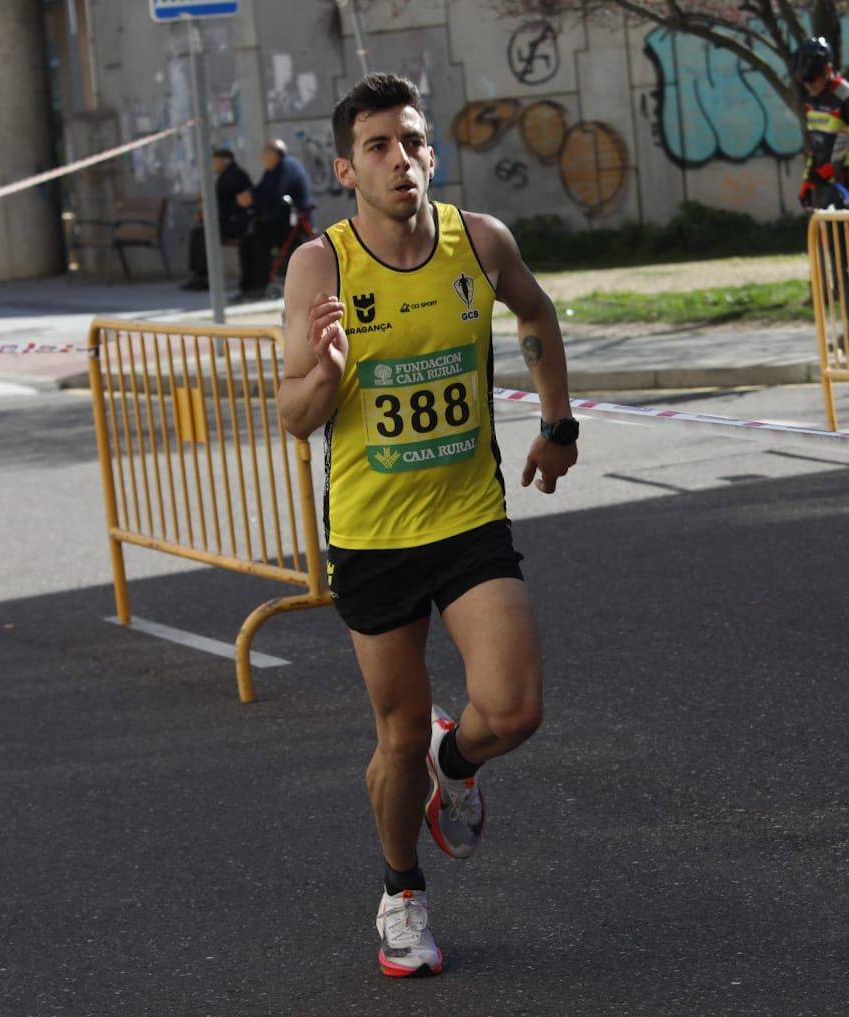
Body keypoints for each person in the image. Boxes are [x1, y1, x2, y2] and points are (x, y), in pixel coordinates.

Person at [277, 73, 578, 978]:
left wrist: (557, 426)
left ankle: (461, 759)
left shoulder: (478, 242)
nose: (398, 159)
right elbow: (293, 413)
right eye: (377, 146)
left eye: (411, 141)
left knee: (515, 708)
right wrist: (325, 377)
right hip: (372, 536)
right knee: (396, 737)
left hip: (468, 515)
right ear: (344, 168)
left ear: (431, 155)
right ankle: (400, 893)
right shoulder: (319, 266)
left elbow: (536, 313)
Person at [793, 37, 849, 351]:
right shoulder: (814, 102)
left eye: (813, 78)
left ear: (828, 69)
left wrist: (836, 171)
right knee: (839, 263)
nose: (808, 84)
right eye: (804, 80)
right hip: (829, 189)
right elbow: (818, 150)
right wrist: (808, 182)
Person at [237, 139, 314, 297]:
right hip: (276, 220)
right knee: (247, 239)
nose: (262, 158)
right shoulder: (271, 170)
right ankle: (248, 286)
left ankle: (260, 284)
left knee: (258, 240)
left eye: (264, 154)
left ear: (274, 154)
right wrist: (249, 196)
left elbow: (277, 194)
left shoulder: (287, 167)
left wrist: (254, 198)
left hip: (292, 225)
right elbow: (260, 191)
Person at [180, 147, 253, 291]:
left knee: (204, 234)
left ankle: (204, 276)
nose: (213, 165)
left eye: (215, 162)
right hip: (225, 221)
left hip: (235, 223)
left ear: (223, 162)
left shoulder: (234, 176)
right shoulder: (226, 175)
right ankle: (198, 274)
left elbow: (225, 204)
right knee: (198, 232)